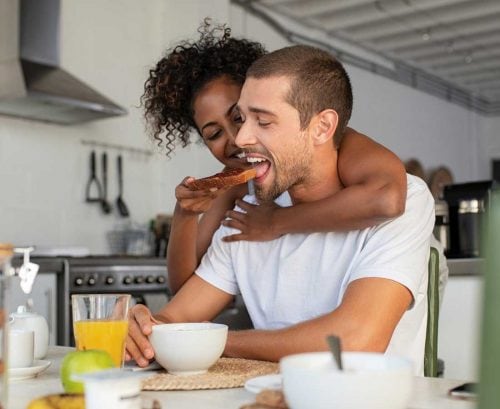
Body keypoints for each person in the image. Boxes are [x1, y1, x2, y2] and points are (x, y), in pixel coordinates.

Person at [127, 44, 434, 375]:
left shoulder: (406, 201)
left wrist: (211, 341)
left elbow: (357, 339)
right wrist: (143, 328)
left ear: (321, 128)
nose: (241, 139)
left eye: (262, 121)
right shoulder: (245, 215)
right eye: (241, 120)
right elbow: (175, 317)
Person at [141, 22, 407, 294]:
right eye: (214, 133)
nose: (238, 138)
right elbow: (185, 292)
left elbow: (386, 199)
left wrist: (276, 222)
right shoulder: (234, 185)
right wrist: (185, 213)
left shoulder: (337, 141)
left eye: (240, 117)